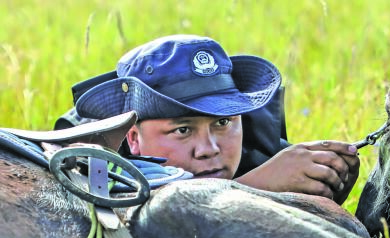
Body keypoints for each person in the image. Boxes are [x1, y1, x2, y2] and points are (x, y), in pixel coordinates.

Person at [58, 34, 360, 205]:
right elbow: (156, 218)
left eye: (223, 123)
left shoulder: (264, 153)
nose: (209, 149)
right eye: (183, 130)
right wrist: (257, 187)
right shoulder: (99, 171)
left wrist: (327, 179)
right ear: (134, 139)